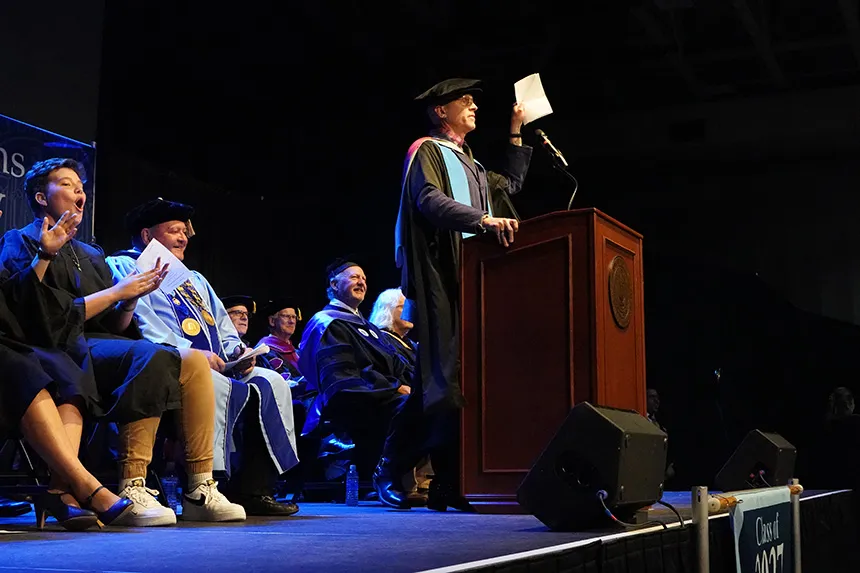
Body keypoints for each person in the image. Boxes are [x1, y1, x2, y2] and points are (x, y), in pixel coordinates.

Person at [0, 159, 245, 525]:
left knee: (184, 358)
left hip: (93, 341)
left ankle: (199, 486)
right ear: (41, 197)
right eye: (67, 185)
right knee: (152, 358)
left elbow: (115, 325)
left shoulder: (90, 254)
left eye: (81, 186)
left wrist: (130, 299)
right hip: (55, 343)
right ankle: (126, 482)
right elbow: (43, 316)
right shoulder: (21, 240)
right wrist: (117, 290)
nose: (79, 192)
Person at [107, 198, 299, 516]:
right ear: (146, 236)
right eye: (174, 231)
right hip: (165, 364)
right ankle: (202, 487)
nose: (184, 238)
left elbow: (222, 327)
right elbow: (143, 325)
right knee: (207, 378)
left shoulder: (194, 279)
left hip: (216, 362)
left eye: (184, 231)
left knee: (271, 381)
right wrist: (193, 353)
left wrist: (237, 350)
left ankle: (254, 489)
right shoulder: (126, 266)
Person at [394, 78, 530, 511]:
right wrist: (481, 220)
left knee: (442, 384)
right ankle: (436, 477)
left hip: (469, 280)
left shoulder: (468, 163)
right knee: (444, 383)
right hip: (440, 277)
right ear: (440, 111)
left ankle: (434, 477)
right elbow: (429, 200)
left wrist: (514, 132)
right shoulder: (427, 152)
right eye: (463, 100)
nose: (473, 105)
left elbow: (507, 184)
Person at [0, 208, 133, 530]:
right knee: (19, 366)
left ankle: (61, 490)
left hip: (11, 340)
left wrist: (45, 256)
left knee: (63, 367)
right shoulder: (14, 243)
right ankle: (83, 484)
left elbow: (20, 306)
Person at [298, 260, 418, 509]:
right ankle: (386, 477)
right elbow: (342, 376)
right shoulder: (327, 322)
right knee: (407, 405)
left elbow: (395, 365)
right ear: (334, 284)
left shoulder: (368, 327)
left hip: (375, 395)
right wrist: (393, 387)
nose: (361, 281)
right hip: (347, 400)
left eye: (363, 278)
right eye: (354, 277)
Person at [258, 298, 303, 380]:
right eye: (286, 316)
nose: (292, 321)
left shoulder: (298, 353)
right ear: (272, 321)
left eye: (294, 317)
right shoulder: (264, 352)